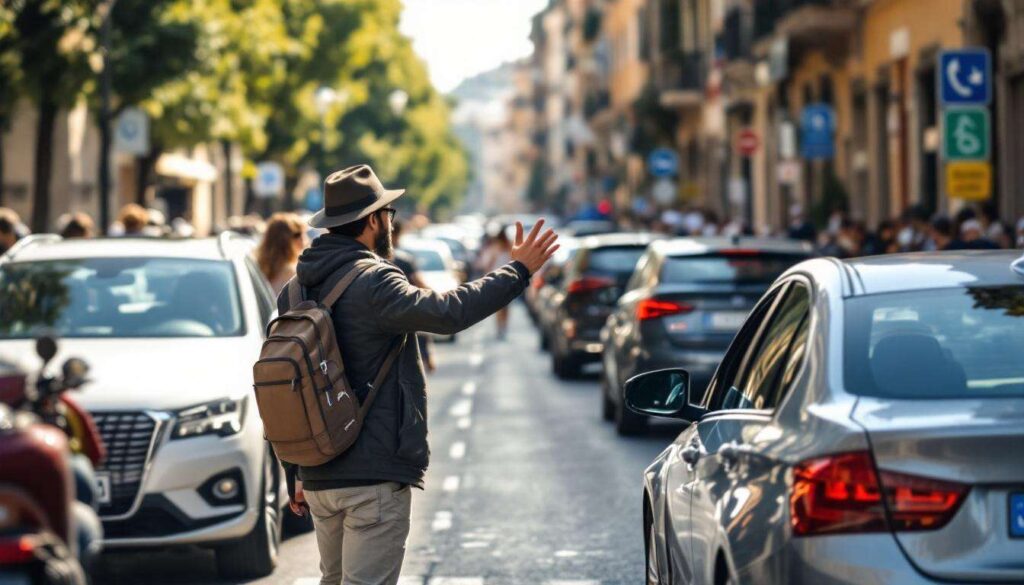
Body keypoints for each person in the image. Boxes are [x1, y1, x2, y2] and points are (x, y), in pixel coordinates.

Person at [280, 164, 557, 585]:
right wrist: (517, 271)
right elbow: (447, 313)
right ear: (373, 220)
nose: (392, 223)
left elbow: (290, 388)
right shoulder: (374, 280)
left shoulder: (295, 290)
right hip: (371, 477)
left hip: (317, 476)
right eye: (388, 214)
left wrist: (295, 471)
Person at [392, 219, 435, 372]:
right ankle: (427, 360)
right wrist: (434, 294)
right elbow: (420, 284)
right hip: (408, 314)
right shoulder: (404, 260)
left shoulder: (371, 260)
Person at [256, 212, 308, 296]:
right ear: (284, 240)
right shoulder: (294, 273)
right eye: (297, 235)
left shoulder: (256, 267)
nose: (303, 239)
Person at [476, 228, 514, 339]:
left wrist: (486, 278)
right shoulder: (505, 248)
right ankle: (502, 327)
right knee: (503, 307)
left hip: (499, 280)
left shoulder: (505, 248)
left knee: (501, 307)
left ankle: (501, 327)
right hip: (506, 279)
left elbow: (489, 265)